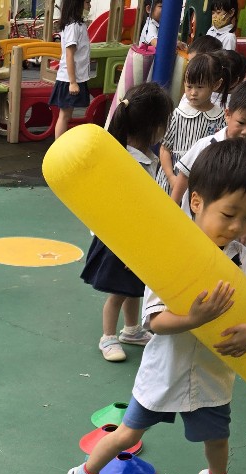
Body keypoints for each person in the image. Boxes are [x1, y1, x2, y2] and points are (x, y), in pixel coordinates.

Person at [61, 140, 246, 474]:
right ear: (196, 201)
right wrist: (193, 318)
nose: (237, 227)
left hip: (212, 378)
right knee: (127, 434)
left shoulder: (240, 258)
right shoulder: (171, 255)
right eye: (229, 214)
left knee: (217, 440)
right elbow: (155, 321)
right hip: (164, 373)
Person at [82, 83, 174, 362]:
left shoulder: (141, 157)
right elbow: (117, 208)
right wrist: (127, 247)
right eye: (165, 122)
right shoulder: (128, 162)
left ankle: (132, 330)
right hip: (121, 240)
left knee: (134, 287)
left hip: (136, 238)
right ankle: (107, 337)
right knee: (118, 293)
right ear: (153, 127)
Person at [170, 79, 246, 209]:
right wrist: (172, 208)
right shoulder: (206, 145)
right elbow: (184, 176)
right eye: (241, 123)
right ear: (228, 115)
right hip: (194, 217)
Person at [157, 52, 226, 196]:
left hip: (202, 182)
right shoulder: (178, 114)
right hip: (173, 179)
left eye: (200, 87)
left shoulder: (220, 118)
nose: (193, 92)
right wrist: (171, 177)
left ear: (216, 84)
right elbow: (165, 149)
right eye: (189, 86)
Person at [52, 0, 93, 139]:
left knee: (66, 115)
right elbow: (69, 55)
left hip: (73, 77)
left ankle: (60, 145)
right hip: (68, 79)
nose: (89, 6)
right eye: (87, 2)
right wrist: (73, 82)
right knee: (64, 115)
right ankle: (58, 147)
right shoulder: (73, 26)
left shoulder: (78, 25)